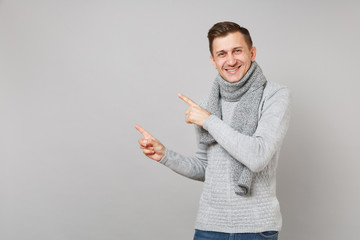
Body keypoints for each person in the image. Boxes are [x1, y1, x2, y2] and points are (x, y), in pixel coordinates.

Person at [135, 21, 291, 240]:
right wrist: (164, 155)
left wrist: (208, 121)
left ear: (252, 52)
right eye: (222, 54)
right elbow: (206, 169)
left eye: (237, 50)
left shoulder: (274, 95)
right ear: (213, 61)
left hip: (256, 230)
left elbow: (258, 156)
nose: (231, 60)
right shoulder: (207, 104)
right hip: (209, 228)